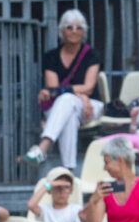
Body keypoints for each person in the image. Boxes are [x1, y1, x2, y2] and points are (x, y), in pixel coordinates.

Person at [23, 9, 104, 167]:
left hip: (90, 107)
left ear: (84, 31)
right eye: (69, 27)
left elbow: (88, 87)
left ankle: (43, 147)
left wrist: (82, 96)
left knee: (67, 99)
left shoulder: (92, 55)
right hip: (62, 106)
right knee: (69, 110)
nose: (74, 31)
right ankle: (69, 169)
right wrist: (80, 95)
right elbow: (54, 90)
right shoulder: (51, 56)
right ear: (61, 31)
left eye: (78, 27)